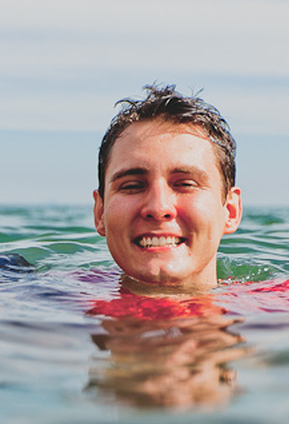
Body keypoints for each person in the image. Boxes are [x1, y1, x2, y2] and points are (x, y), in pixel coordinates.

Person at [93, 84, 242, 291]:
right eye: (132, 186)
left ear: (231, 211)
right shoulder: (57, 298)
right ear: (100, 213)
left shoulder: (280, 305)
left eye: (185, 184)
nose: (158, 208)